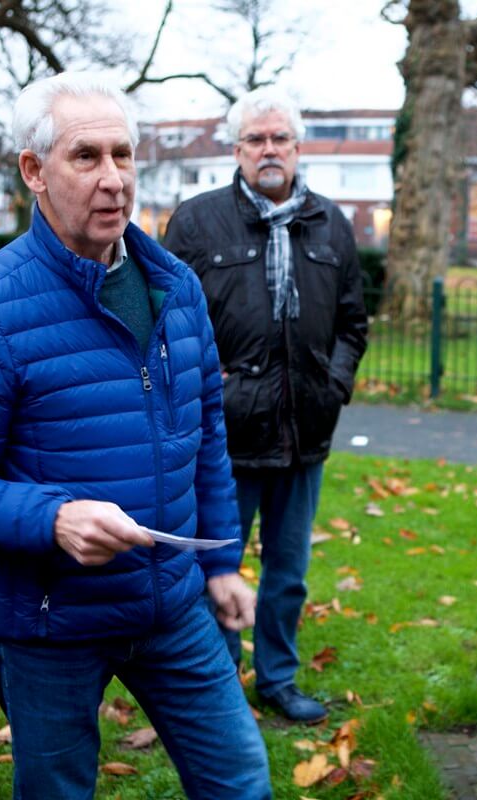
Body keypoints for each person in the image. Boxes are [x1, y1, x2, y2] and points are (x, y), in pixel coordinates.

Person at [0, 73, 270, 799]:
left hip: (172, 605)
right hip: (50, 624)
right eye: (87, 158)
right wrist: (53, 518)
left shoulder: (177, 288)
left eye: (124, 156)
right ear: (33, 171)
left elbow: (204, 437)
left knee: (241, 781)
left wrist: (223, 562)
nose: (114, 180)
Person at [164, 85, 367, 725]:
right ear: (237, 149)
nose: (269, 149)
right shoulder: (197, 222)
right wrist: (209, 386)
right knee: (214, 564)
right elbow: (168, 323)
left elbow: (352, 323)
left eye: (280, 138)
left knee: (289, 572)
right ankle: (220, 686)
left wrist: (332, 384)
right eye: (256, 139)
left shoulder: (331, 222)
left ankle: (278, 679)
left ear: (298, 147)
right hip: (226, 433)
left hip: (306, 429)